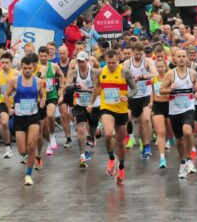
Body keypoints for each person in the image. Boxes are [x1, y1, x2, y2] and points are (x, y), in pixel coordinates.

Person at [87, 50, 137, 184]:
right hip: (106, 108)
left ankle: (121, 167)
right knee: (108, 134)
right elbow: (97, 88)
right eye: (108, 63)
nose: (111, 65)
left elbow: (134, 89)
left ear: (118, 60)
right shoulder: (100, 72)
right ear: (105, 61)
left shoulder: (124, 71)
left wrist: (128, 96)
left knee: (120, 142)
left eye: (113, 62)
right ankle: (110, 158)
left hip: (121, 109)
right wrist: (91, 103)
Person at [4, 55, 45, 185]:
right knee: (23, 151)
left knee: (32, 145)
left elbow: (43, 95)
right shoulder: (15, 81)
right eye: (25, 68)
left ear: (33, 68)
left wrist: (43, 102)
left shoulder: (38, 81)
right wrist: (9, 108)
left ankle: (28, 175)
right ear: (21, 67)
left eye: (29, 68)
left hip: (33, 116)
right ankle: (29, 158)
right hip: (20, 118)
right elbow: (6, 94)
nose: (27, 70)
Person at [160, 49, 197, 179]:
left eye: (184, 56)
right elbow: (161, 90)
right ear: (175, 59)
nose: (182, 59)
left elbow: (196, 86)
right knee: (179, 140)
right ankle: (182, 162)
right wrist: (169, 89)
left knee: (188, 132)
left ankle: (189, 160)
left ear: (187, 58)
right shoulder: (170, 74)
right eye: (179, 57)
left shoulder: (193, 73)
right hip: (174, 110)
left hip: (188, 108)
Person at [65, 51, 100, 167]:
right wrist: (74, 86)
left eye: (82, 61)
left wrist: (86, 89)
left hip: (94, 104)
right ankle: (82, 156)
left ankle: (92, 136)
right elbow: (67, 85)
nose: (80, 64)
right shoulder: (74, 72)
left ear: (87, 61)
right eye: (78, 61)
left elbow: (97, 89)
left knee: (93, 128)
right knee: (81, 129)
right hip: (80, 104)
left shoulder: (94, 72)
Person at [122, 42, 157, 159]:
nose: (138, 56)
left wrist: (142, 76)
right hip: (132, 97)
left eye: (140, 54)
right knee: (136, 123)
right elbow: (122, 77)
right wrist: (131, 79)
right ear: (132, 52)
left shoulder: (147, 61)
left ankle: (147, 146)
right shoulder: (127, 63)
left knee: (146, 120)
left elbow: (154, 73)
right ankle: (135, 139)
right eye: (136, 54)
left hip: (145, 95)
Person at [36, 46, 65, 158]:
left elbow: (61, 75)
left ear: (49, 56)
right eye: (41, 56)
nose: (43, 58)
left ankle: (52, 136)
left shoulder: (53, 66)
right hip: (40, 98)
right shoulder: (36, 67)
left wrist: (61, 89)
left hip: (51, 96)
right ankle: (49, 142)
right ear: (38, 56)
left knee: (50, 115)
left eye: (45, 56)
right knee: (43, 126)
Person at [0, 52, 18, 158]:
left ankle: (24, 148)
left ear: (11, 63)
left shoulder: (17, 74)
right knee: (4, 123)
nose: (4, 65)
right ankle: (8, 148)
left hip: (17, 102)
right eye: (2, 62)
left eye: (6, 62)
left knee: (19, 126)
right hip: (3, 102)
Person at [151, 58, 170, 168]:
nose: (160, 69)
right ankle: (162, 158)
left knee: (171, 132)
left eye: (161, 66)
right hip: (157, 105)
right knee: (161, 132)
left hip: (169, 106)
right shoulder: (154, 79)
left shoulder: (169, 78)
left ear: (165, 67)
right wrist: (151, 102)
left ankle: (171, 140)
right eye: (158, 67)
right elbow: (152, 92)